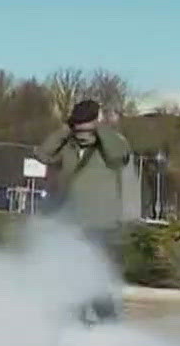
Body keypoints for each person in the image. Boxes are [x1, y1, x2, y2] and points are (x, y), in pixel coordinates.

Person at [35, 99, 133, 321]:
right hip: (73, 221)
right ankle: (76, 323)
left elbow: (119, 157)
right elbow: (43, 154)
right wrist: (65, 130)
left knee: (95, 277)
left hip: (102, 222)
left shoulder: (110, 145)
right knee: (73, 274)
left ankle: (108, 324)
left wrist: (99, 128)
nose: (81, 132)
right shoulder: (69, 147)